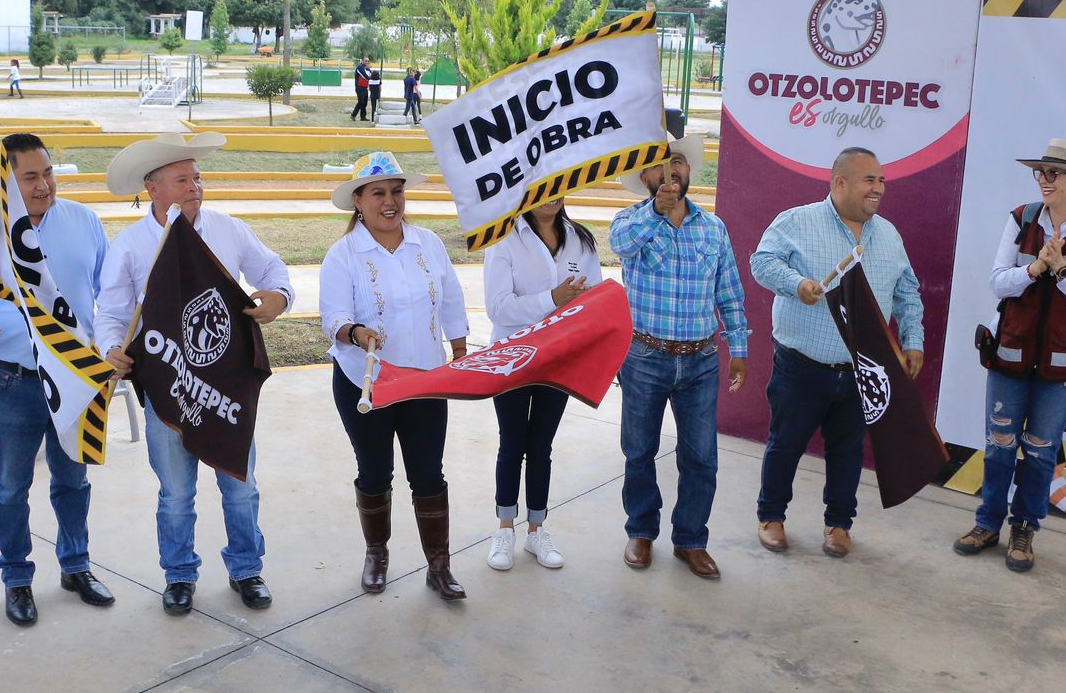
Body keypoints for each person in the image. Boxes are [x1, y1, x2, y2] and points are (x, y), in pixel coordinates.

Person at [95, 132, 293, 616]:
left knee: (240, 487)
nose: (194, 187)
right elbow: (112, 313)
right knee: (177, 494)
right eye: (182, 180)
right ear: (153, 187)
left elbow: (273, 271)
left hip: (227, 388)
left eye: (197, 178)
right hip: (167, 389)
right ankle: (179, 575)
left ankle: (247, 569)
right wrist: (109, 349)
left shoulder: (228, 229)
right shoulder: (131, 247)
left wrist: (278, 298)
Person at [0, 132, 115, 627]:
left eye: (49, 172)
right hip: (10, 381)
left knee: (73, 482)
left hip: (77, 377)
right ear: (6, 182)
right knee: (10, 488)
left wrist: (110, 343)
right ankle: (17, 579)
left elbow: (111, 294)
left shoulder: (84, 221)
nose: (45, 185)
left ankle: (76, 566)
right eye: (30, 176)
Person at [954, 139, 1066, 573]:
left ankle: (1024, 528)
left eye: (1054, 173)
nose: (1044, 180)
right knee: (999, 446)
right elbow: (998, 281)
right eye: (1041, 172)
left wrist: (1062, 268)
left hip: (1064, 362)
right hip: (1009, 351)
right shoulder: (1021, 218)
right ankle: (988, 523)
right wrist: (1034, 269)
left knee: (1042, 451)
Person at [750, 146, 924, 558]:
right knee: (785, 443)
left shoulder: (889, 234)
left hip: (862, 370)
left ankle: (839, 524)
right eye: (869, 179)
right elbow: (762, 262)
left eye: (881, 180)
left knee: (848, 451)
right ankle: (771, 516)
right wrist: (798, 284)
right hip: (801, 366)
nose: (878, 188)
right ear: (840, 182)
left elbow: (907, 291)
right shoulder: (797, 221)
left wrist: (913, 340)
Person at [319, 153, 470, 601]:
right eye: (379, 193)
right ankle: (377, 554)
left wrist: (459, 351)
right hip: (366, 381)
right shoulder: (342, 254)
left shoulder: (428, 244)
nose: (391, 202)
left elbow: (451, 301)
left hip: (425, 379)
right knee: (375, 471)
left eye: (397, 191)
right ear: (358, 202)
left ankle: (438, 565)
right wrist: (355, 332)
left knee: (428, 473)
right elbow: (333, 317)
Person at [611, 135, 749, 579]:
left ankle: (690, 539)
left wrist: (739, 348)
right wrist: (655, 211)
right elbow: (620, 244)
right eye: (659, 167)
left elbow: (728, 292)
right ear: (645, 178)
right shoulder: (630, 221)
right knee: (639, 451)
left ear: (688, 170)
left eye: (677, 164)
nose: (670, 174)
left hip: (700, 361)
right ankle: (641, 531)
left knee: (701, 457)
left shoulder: (714, 228)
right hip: (645, 357)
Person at [482, 198, 602, 571]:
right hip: (513, 359)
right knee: (512, 443)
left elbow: (594, 300)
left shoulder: (580, 240)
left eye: (557, 186)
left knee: (541, 446)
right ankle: (504, 528)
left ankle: (536, 531)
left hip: (558, 360)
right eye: (541, 187)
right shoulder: (504, 240)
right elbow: (498, 308)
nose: (550, 195)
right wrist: (552, 299)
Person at [350, 56, 371, 122]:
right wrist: (371, 77)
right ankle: (353, 115)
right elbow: (365, 76)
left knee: (364, 103)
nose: (367, 62)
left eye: (368, 61)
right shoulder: (359, 67)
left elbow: (371, 74)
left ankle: (363, 117)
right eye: (365, 61)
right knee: (360, 102)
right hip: (359, 88)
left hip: (365, 88)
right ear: (362, 61)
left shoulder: (367, 68)